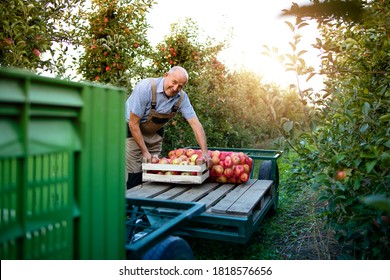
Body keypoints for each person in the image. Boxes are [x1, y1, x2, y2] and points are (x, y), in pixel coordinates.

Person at [125, 66, 211, 189]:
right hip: (132, 130)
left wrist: (204, 152)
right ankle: (132, 204)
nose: (176, 88)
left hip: (154, 133)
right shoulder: (146, 88)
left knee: (155, 172)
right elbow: (133, 123)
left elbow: (195, 123)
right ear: (166, 75)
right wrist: (145, 152)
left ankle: (152, 204)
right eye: (174, 82)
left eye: (180, 86)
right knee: (135, 171)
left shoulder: (182, 98)